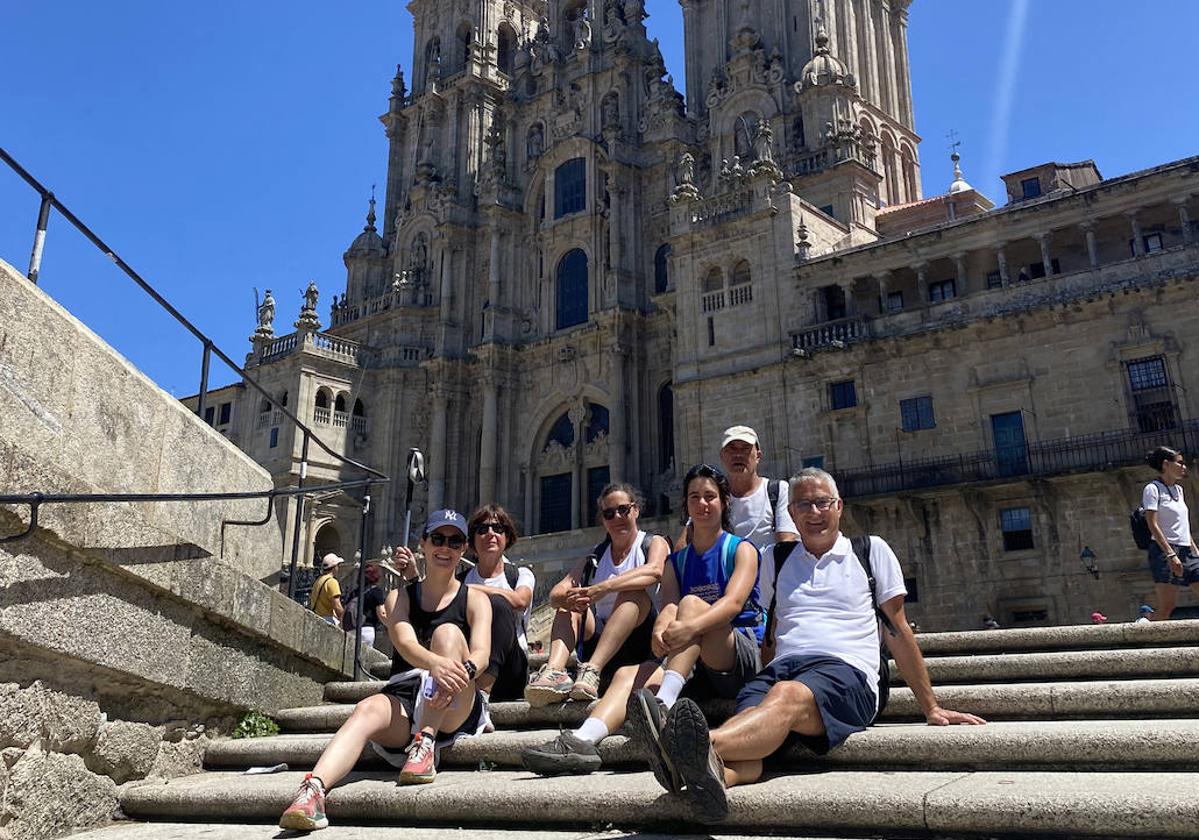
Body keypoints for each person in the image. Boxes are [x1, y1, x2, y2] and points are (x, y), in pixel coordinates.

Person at [633, 467, 985, 823]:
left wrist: (931, 707)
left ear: (838, 507)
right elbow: (770, 629)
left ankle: (680, 746)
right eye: (803, 506)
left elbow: (897, 630)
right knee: (754, 725)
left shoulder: (870, 550)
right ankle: (717, 779)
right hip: (783, 670)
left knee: (786, 697)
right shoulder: (775, 558)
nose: (814, 513)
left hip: (847, 672)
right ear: (792, 513)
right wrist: (766, 669)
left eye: (822, 503)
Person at [521, 464, 759, 777]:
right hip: (693, 663)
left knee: (691, 605)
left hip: (733, 654)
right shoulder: (677, 562)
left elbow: (733, 604)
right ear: (685, 504)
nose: (702, 503)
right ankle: (581, 740)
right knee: (625, 675)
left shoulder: (741, 550)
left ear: (724, 502)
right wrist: (662, 631)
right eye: (694, 497)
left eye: (710, 497)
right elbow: (669, 605)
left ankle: (664, 704)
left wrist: (687, 627)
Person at [279, 510, 491, 831]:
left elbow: (482, 653)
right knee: (365, 709)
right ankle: (313, 790)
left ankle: (426, 743)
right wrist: (435, 664)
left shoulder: (475, 598)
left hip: (455, 700)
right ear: (423, 544)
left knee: (447, 635)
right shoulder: (399, 597)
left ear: (464, 549)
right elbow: (404, 642)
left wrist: (461, 670)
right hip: (406, 694)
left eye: (455, 540)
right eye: (437, 539)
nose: (445, 547)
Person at [524, 483, 668, 706]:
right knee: (567, 605)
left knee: (632, 595)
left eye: (623, 510)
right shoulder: (596, 555)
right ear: (603, 520)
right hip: (603, 642)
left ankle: (592, 670)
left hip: (642, 644)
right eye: (609, 513)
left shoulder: (652, 543)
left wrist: (603, 588)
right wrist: (572, 598)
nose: (617, 517)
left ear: (636, 510)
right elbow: (554, 595)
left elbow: (655, 571)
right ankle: (553, 672)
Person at [461, 504, 535, 702]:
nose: (491, 534)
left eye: (498, 528)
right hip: (468, 666)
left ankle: (481, 698)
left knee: (499, 605)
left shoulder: (520, 575)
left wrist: (468, 592)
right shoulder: (461, 580)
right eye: (483, 529)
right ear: (472, 540)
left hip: (510, 670)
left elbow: (519, 601)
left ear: (507, 537)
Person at [718, 425, 798, 548]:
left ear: (758, 456)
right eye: (732, 449)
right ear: (722, 456)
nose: (738, 455)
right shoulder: (713, 498)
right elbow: (687, 543)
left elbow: (786, 544)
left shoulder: (778, 490)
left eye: (745, 449)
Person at [1143, 446, 1199, 620]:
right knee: (1167, 606)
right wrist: (1170, 554)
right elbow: (1152, 524)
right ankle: (1150, 638)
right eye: (1180, 463)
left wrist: (1195, 551)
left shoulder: (1179, 491)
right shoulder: (1152, 489)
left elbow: (1182, 524)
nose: (1184, 467)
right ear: (1166, 464)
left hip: (1187, 550)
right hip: (1164, 552)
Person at [341, 562, 387, 648]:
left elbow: (344, 612)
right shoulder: (376, 592)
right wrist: (390, 625)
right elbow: (382, 614)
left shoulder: (354, 593)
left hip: (351, 629)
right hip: (366, 629)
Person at [310, 553, 345, 625]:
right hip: (327, 620)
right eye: (338, 565)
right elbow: (337, 606)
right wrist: (344, 620)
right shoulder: (332, 582)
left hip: (316, 618)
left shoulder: (318, 581)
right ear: (334, 567)